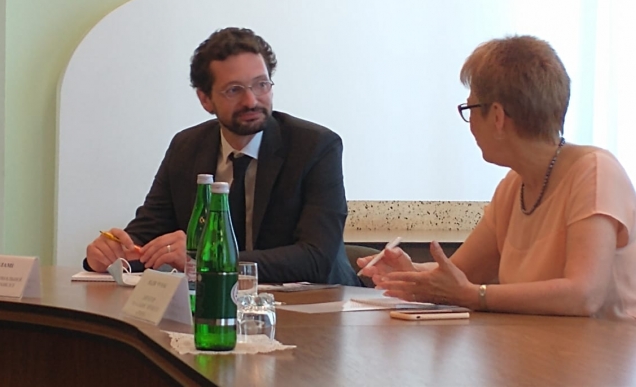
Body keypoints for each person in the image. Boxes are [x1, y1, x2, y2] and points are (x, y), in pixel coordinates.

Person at [359, 35, 636, 319]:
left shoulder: (595, 172)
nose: (469, 124)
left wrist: (473, 296)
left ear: (497, 116)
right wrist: (410, 273)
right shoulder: (513, 186)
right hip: (534, 345)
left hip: (602, 347)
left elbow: (583, 295)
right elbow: (461, 274)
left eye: (469, 109)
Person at [85, 27, 360, 286]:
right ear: (205, 99)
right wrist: (112, 254)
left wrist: (206, 260)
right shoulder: (186, 147)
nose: (251, 101)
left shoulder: (315, 147)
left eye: (261, 85)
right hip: (216, 305)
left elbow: (316, 258)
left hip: (315, 306)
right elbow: (147, 237)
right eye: (234, 90)